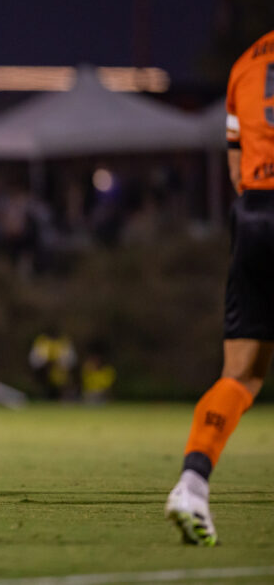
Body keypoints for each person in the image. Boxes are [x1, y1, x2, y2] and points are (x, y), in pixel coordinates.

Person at [165, 30, 274, 546]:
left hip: (254, 215)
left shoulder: (247, 61)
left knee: (242, 374)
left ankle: (192, 484)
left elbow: (235, 167)